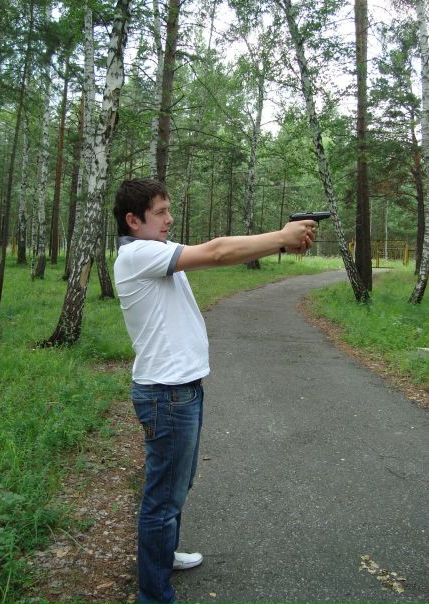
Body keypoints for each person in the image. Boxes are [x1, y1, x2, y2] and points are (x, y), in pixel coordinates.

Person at [113, 178, 316, 604]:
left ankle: (162, 556)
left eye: (169, 211)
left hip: (179, 391)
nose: (170, 219)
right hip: (167, 395)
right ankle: (154, 595)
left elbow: (224, 251)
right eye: (160, 212)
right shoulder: (138, 255)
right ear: (133, 220)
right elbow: (219, 251)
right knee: (163, 499)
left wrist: (279, 243)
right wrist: (282, 237)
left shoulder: (156, 252)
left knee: (176, 486)